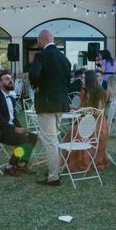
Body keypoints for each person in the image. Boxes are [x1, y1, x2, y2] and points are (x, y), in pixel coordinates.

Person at [29, 29, 72, 186]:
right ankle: (55, 170)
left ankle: (54, 176)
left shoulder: (41, 56)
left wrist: (36, 86)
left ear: (41, 40)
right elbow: (68, 81)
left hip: (46, 103)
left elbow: (33, 74)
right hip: (60, 103)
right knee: (53, 139)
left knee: (50, 141)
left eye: (38, 41)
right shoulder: (64, 58)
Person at [0, 70, 38, 176]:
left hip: (8, 129)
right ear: (0, 83)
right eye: (6, 79)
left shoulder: (11, 98)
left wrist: (21, 129)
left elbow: (14, 118)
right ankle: (10, 166)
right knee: (23, 140)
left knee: (33, 137)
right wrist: (15, 130)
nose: (10, 81)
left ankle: (22, 164)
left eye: (11, 79)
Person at [62, 70, 110, 172]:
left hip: (98, 124)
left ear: (89, 79)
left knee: (76, 133)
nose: (81, 80)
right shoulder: (84, 91)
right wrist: (71, 107)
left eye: (84, 78)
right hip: (87, 121)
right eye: (82, 78)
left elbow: (99, 111)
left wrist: (84, 111)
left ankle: (83, 163)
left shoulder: (98, 91)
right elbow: (81, 108)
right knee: (72, 131)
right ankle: (73, 162)